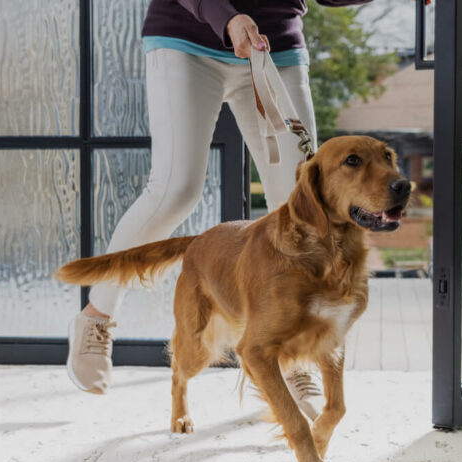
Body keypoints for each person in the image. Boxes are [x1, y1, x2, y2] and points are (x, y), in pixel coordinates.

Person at [67, 0, 375, 398]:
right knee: (176, 189)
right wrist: (226, 18)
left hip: (272, 45)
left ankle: (293, 357)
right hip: (187, 39)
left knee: (306, 202)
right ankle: (97, 315)